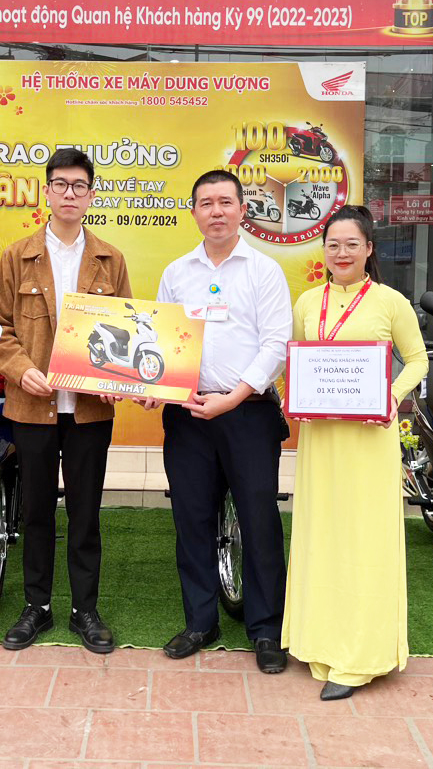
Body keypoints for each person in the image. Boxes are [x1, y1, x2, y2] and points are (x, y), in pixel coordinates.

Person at [0, 147, 132, 654]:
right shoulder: (17, 255)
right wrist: (21, 370)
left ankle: (84, 610)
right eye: (61, 185)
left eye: (80, 186)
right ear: (47, 191)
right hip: (33, 407)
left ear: (91, 195)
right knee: (36, 511)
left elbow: (126, 331)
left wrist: (119, 377)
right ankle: (38, 607)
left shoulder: (110, 259)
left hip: (90, 410)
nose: (70, 194)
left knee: (86, 513)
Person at [147, 169, 291, 674]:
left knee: (258, 519)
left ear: (242, 210)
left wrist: (234, 397)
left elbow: (276, 344)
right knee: (192, 518)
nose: (216, 211)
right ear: (193, 212)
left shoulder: (264, 271)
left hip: (248, 413)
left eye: (225, 202)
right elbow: (164, 340)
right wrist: (157, 387)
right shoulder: (176, 272)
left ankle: (266, 629)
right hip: (188, 415)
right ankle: (200, 621)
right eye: (206, 203)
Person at [282, 204, 428, 700]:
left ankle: (361, 655)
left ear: (368, 249)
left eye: (351, 245)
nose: (341, 253)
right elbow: (297, 361)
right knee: (322, 533)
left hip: (368, 440)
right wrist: (292, 397)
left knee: (365, 539)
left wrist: (389, 396)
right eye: (333, 245)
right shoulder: (308, 302)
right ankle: (319, 641)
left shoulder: (390, 302)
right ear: (323, 251)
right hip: (321, 439)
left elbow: (418, 361)